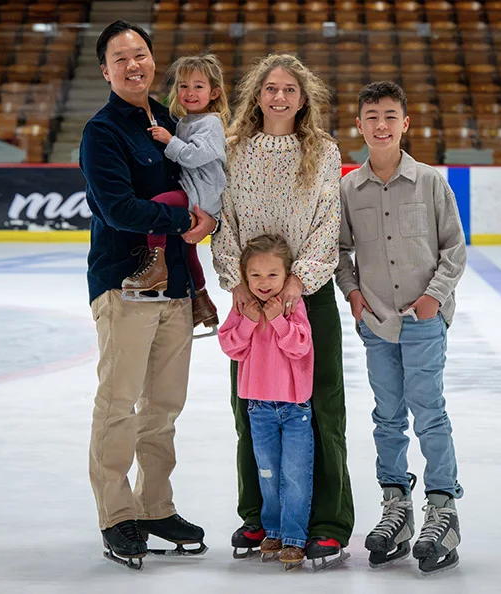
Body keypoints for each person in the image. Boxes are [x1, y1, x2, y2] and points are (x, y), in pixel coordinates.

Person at [79, 20, 216, 569]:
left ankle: (155, 505)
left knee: (163, 406)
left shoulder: (170, 118)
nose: (133, 64)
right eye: (121, 58)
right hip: (125, 283)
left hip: (176, 286)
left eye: (140, 54)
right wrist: (186, 217)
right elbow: (117, 209)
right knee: (119, 404)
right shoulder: (102, 132)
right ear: (105, 70)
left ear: (152, 60)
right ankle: (117, 514)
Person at [211, 53, 354, 570]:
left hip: (305, 297)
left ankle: (327, 523)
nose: (278, 96)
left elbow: (327, 225)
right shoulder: (234, 152)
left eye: (289, 89)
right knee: (250, 408)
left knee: (320, 409)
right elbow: (224, 223)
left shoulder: (323, 151)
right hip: (250, 298)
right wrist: (238, 285)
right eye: (270, 87)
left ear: (303, 97)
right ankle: (260, 516)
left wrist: (297, 281)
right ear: (257, 95)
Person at [335, 81, 467, 574]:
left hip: (424, 320)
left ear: (405, 123)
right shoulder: (349, 188)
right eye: (372, 116)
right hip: (377, 323)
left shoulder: (431, 182)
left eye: (391, 116)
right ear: (360, 125)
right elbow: (341, 254)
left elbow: (454, 248)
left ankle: (443, 510)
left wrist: (434, 296)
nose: (381, 125)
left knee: (429, 413)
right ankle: (396, 506)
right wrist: (353, 296)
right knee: (387, 417)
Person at [218, 234, 314, 569]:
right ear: (244, 277)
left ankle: (294, 537)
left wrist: (276, 319)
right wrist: (247, 321)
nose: (264, 282)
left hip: (294, 408)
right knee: (268, 472)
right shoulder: (242, 307)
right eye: (255, 275)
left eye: (273, 275)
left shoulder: (292, 305)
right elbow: (231, 347)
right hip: (258, 408)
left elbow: (300, 347)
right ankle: (272, 529)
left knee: (295, 473)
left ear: (287, 276)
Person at [122, 53, 229, 337]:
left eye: (198, 86)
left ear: (214, 92)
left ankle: (156, 266)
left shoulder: (211, 123)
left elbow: (195, 156)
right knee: (187, 249)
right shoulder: (185, 121)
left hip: (202, 194)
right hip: (193, 188)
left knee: (159, 206)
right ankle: (203, 303)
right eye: (183, 86)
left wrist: (170, 141)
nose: (189, 93)